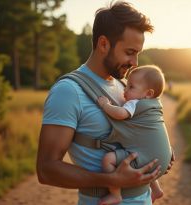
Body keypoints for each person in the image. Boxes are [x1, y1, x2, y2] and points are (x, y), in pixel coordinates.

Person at [36, 1, 174, 205]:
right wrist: (111, 180)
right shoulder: (68, 91)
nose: (135, 62)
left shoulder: (125, 85)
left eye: (138, 53)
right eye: (129, 52)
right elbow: (46, 170)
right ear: (103, 44)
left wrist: (158, 153)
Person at [97, 65, 171, 205]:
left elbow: (120, 114)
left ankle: (115, 194)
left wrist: (105, 105)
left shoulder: (134, 103)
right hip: (161, 158)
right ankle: (156, 190)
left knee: (108, 159)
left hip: (146, 157)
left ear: (148, 93)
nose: (125, 90)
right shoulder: (155, 104)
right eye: (126, 86)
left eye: (131, 87)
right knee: (147, 157)